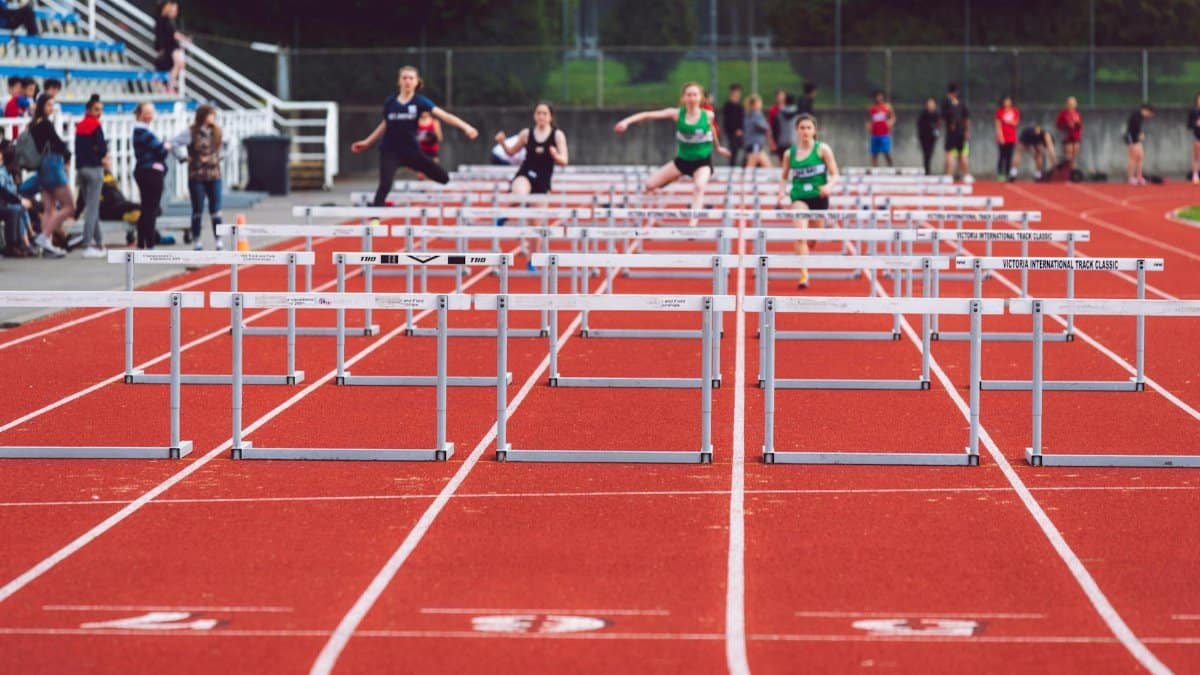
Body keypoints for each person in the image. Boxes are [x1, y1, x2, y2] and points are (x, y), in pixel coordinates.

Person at [352, 65, 479, 206]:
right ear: (399, 81)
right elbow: (385, 124)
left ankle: (462, 196)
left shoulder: (420, 101)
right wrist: (367, 142)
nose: (407, 81)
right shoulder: (390, 102)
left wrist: (466, 127)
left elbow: (445, 116)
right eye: (404, 78)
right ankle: (375, 220)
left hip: (411, 151)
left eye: (411, 78)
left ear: (416, 82)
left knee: (443, 177)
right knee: (385, 184)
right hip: (390, 151)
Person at [614, 81, 731, 227]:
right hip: (682, 161)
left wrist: (718, 147)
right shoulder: (676, 114)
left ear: (701, 98)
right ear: (683, 98)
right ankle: (670, 186)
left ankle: (692, 224)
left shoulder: (708, 115)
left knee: (699, 186)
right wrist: (626, 122)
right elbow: (647, 115)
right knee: (649, 185)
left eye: (695, 95)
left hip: (702, 162)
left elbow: (711, 130)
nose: (692, 98)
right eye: (688, 95)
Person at [495, 102, 569, 269]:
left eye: (544, 113)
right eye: (538, 113)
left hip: (543, 180)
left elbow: (565, 160)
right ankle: (504, 216)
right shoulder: (526, 134)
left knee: (535, 224)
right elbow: (511, 152)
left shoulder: (557, 135)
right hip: (526, 173)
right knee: (520, 195)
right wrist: (502, 143)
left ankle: (532, 260)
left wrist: (556, 156)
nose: (541, 116)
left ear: (550, 116)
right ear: (534, 116)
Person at [777, 114, 838, 290]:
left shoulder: (822, 149)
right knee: (800, 234)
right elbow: (783, 177)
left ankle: (804, 250)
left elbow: (835, 174)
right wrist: (782, 192)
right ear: (797, 130)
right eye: (802, 128)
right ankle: (803, 273)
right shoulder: (790, 154)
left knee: (813, 238)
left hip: (819, 197)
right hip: (799, 197)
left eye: (808, 128)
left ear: (814, 131)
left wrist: (829, 186)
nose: (805, 131)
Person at [172, 104, 225, 250]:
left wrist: (218, 157)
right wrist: (183, 158)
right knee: (197, 209)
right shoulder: (191, 132)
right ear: (203, 116)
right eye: (210, 115)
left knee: (216, 209)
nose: (213, 118)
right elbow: (174, 142)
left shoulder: (218, 132)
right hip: (197, 176)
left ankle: (219, 240)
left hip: (214, 175)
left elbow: (228, 144)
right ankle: (197, 240)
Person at [28, 93, 72, 257]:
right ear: (41, 106)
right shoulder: (45, 124)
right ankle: (44, 237)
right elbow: (58, 143)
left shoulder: (33, 124)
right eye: (49, 105)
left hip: (42, 168)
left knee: (49, 209)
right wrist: (67, 156)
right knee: (69, 207)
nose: (51, 108)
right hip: (52, 167)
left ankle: (48, 246)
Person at [74, 94, 109, 258]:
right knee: (92, 209)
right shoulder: (95, 125)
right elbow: (102, 149)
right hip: (94, 169)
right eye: (96, 109)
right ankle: (87, 244)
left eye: (100, 109)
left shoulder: (80, 125)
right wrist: (98, 151)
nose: (99, 112)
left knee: (91, 207)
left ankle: (99, 242)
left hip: (81, 169)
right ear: (89, 110)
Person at [132, 101, 170, 249]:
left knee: (146, 207)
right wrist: (165, 146)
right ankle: (150, 243)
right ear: (141, 114)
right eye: (147, 112)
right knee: (151, 209)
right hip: (151, 172)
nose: (150, 115)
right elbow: (161, 151)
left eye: (151, 112)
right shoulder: (143, 133)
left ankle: (142, 242)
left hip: (144, 171)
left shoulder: (140, 132)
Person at [0, 140, 35, 257]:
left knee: (19, 208)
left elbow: (14, 192)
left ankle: (23, 242)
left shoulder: (12, 173)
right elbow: (3, 192)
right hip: (4, 203)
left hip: (6, 202)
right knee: (15, 209)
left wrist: (17, 177)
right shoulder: (2, 174)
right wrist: (19, 200)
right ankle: (21, 243)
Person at [154, 1, 189, 94]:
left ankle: (169, 86)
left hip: (170, 47)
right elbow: (173, 34)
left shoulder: (167, 20)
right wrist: (185, 39)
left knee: (179, 64)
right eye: (173, 9)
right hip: (170, 47)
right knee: (178, 64)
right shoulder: (165, 20)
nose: (175, 12)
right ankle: (169, 86)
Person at [941, 83, 971, 182]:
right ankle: (966, 175)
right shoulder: (962, 104)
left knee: (949, 153)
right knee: (962, 154)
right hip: (961, 132)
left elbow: (942, 118)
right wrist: (966, 131)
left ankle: (949, 175)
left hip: (952, 132)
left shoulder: (946, 103)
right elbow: (967, 119)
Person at [1124, 103, 1154, 186]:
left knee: (1140, 156)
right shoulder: (1136, 115)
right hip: (1132, 139)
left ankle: (1139, 176)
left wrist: (1140, 134)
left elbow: (1138, 128)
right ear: (1146, 110)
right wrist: (1137, 136)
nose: (1149, 116)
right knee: (1133, 157)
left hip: (1136, 139)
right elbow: (1131, 129)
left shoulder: (1140, 117)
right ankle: (1130, 177)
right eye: (1150, 113)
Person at [867, 90, 896, 168]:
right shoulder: (872, 108)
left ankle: (891, 167)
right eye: (877, 96)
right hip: (875, 134)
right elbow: (869, 120)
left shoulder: (886, 107)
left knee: (886, 152)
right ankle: (875, 168)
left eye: (880, 96)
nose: (879, 98)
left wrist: (891, 122)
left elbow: (893, 117)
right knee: (874, 153)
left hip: (884, 134)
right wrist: (869, 127)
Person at [742, 94, 771, 169]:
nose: (761, 105)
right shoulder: (756, 114)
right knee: (751, 167)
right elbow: (765, 127)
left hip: (751, 143)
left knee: (767, 166)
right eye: (760, 103)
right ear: (755, 104)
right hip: (755, 144)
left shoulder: (748, 114)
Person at [995, 96, 1020, 181]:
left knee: (1009, 156)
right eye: (1006, 101)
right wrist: (1000, 137)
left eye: (1009, 101)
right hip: (1002, 137)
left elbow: (1016, 122)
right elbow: (998, 125)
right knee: (1002, 156)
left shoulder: (1014, 111)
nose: (1007, 103)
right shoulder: (1000, 112)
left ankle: (1007, 173)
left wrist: (1008, 121)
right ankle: (1000, 174)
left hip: (1011, 137)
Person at [1056, 96, 1083, 171]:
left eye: (1073, 103)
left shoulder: (1077, 114)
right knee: (1068, 155)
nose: (1071, 105)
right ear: (1067, 104)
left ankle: (1073, 171)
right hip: (1067, 136)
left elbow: (1080, 125)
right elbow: (1058, 125)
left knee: (1075, 155)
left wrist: (1077, 124)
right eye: (1070, 103)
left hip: (1076, 136)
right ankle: (1068, 171)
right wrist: (1067, 125)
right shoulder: (1063, 113)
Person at [722, 84, 745, 167]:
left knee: (742, 149)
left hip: (740, 132)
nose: (737, 94)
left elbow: (742, 118)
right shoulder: (728, 105)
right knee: (733, 150)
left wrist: (741, 129)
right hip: (731, 132)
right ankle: (732, 167)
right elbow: (728, 120)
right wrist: (734, 130)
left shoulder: (740, 105)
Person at [917, 97, 941, 175]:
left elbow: (938, 125)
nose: (930, 105)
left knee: (930, 153)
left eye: (932, 104)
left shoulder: (936, 114)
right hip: (924, 137)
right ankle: (927, 170)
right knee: (926, 153)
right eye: (929, 104)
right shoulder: (923, 114)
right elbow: (919, 125)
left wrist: (936, 133)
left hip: (932, 137)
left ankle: (928, 170)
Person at [766, 88, 787, 156]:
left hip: (789, 140)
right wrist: (771, 142)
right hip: (778, 139)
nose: (781, 98)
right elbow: (769, 127)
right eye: (779, 96)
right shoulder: (773, 110)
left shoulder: (790, 109)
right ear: (776, 98)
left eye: (782, 96)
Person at [1187, 92, 1200, 184]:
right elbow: (1188, 125)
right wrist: (1196, 123)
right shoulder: (1194, 111)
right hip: (1198, 137)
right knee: (1196, 156)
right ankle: (1195, 174)